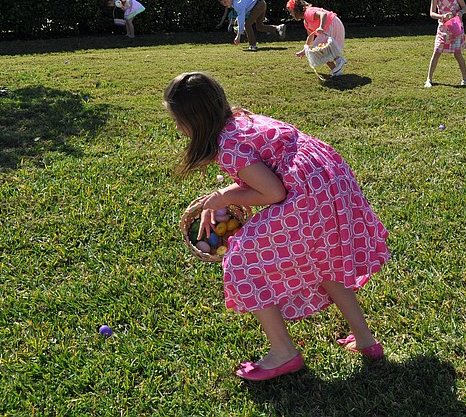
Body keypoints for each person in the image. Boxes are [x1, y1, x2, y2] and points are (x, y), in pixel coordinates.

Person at [164, 72, 390, 380]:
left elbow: (273, 192)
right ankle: (366, 341)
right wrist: (218, 201)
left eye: (178, 120)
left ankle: (284, 352)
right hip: (329, 183)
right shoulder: (241, 121)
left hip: (308, 195)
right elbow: (262, 175)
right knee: (325, 262)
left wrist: (222, 195)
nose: (177, 128)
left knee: (242, 260)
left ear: (195, 119)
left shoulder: (227, 146)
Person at [425, 0, 466, 88]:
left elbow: (464, 7)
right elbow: (432, 13)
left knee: (458, 53)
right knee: (436, 52)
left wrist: (460, 13)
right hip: (443, 29)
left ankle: (465, 78)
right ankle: (429, 79)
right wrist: (441, 16)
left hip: (455, 28)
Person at [286, 0, 348, 76]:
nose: (291, 14)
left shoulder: (309, 12)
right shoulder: (306, 22)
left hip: (332, 25)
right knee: (318, 48)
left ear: (296, 10)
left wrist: (321, 27)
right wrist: (305, 50)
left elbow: (323, 14)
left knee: (318, 49)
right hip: (329, 28)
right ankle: (336, 69)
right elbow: (310, 37)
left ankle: (338, 63)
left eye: (291, 12)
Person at [218, 0, 286, 51]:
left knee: (247, 25)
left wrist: (238, 36)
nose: (225, 5)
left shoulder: (237, 3)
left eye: (225, 2)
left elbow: (242, 18)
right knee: (259, 26)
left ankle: (253, 45)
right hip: (261, 3)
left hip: (258, 4)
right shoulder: (235, 1)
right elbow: (243, 13)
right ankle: (278, 28)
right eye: (223, 3)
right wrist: (239, 20)